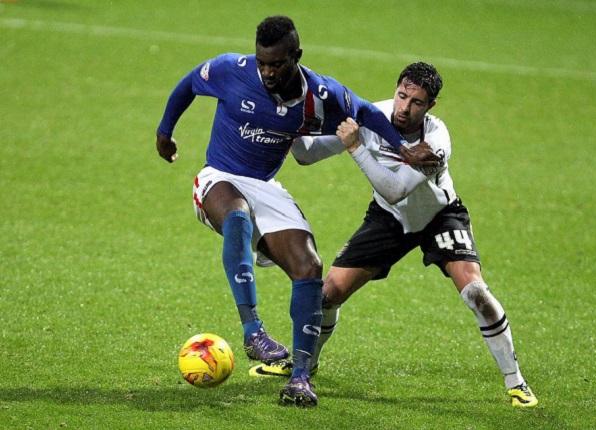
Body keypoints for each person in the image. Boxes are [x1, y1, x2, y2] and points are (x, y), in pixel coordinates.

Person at [155, 17, 435, 407]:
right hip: (218, 176)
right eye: (262, 62)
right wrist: (165, 132)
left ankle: (301, 377)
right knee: (236, 216)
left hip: (266, 187)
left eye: (277, 64)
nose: (267, 72)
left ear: (296, 57)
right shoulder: (230, 70)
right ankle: (254, 331)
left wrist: (405, 151)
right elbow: (189, 84)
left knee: (309, 267)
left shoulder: (320, 95)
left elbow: (368, 114)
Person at [259, 62, 538, 408]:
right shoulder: (371, 114)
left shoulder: (436, 140)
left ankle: (516, 382)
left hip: (440, 216)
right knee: (326, 296)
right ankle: (305, 364)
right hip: (388, 221)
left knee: (476, 292)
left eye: (417, 102)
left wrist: (356, 148)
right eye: (402, 95)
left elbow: (395, 189)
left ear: (430, 106)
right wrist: (295, 122)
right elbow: (306, 156)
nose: (405, 108)